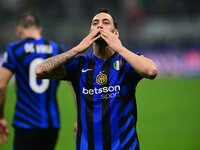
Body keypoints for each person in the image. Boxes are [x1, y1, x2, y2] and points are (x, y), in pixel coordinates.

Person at [36, 8, 158, 150]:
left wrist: (120, 48)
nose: (99, 26)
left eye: (105, 22)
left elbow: (151, 71)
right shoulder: (79, 64)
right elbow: (40, 71)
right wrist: (76, 49)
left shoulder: (125, 62)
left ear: (116, 33)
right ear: (90, 33)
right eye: (95, 23)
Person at [0, 12, 64, 150]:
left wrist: (1, 117)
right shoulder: (57, 50)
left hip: (25, 122)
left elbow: (1, 85)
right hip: (51, 123)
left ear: (19, 29)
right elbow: (73, 85)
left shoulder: (14, 49)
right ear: (39, 29)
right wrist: (78, 119)